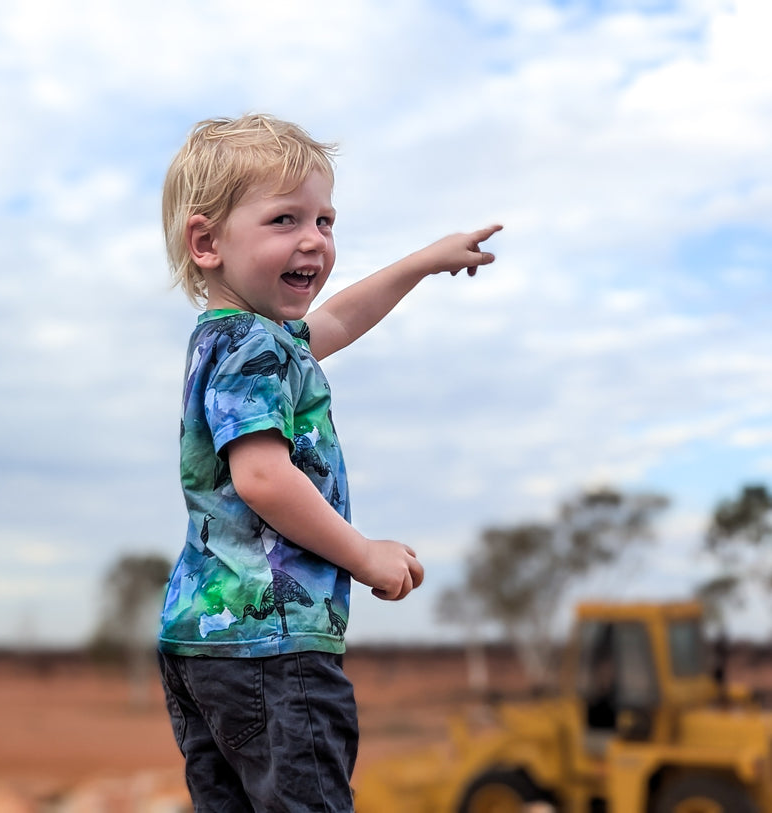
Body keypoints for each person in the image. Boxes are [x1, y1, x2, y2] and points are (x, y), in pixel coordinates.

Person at [156, 113, 502, 812]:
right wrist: (362, 554)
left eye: (325, 220)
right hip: (272, 645)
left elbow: (337, 320)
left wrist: (419, 261)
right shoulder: (254, 347)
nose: (313, 238)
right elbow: (261, 477)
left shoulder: (234, 339)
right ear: (206, 241)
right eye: (285, 218)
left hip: (203, 640)